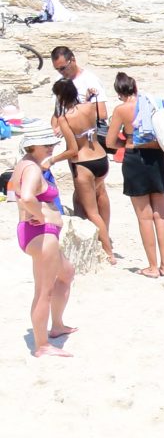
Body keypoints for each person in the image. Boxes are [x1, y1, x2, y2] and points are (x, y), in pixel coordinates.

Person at [108, 73, 164, 280]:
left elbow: (109, 142)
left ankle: (152, 267)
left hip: (135, 159)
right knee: (160, 214)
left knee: (144, 217)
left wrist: (124, 144)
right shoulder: (154, 102)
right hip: (158, 157)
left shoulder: (121, 110)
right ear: (135, 87)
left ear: (119, 93)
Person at [12, 131, 73, 357]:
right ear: (32, 145)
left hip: (37, 233)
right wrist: (40, 213)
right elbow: (26, 197)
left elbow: (19, 195)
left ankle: (57, 326)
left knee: (66, 272)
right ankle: (41, 346)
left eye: (52, 143)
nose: (51, 147)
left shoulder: (26, 164)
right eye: (46, 144)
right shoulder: (33, 169)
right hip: (41, 234)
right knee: (43, 291)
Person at [48, 73, 115, 265]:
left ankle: (108, 252)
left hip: (83, 164)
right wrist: (88, 98)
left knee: (91, 211)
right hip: (101, 158)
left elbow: (72, 150)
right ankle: (105, 235)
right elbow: (88, 121)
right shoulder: (89, 107)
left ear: (60, 97)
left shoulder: (64, 119)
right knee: (99, 194)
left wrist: (52, 160)